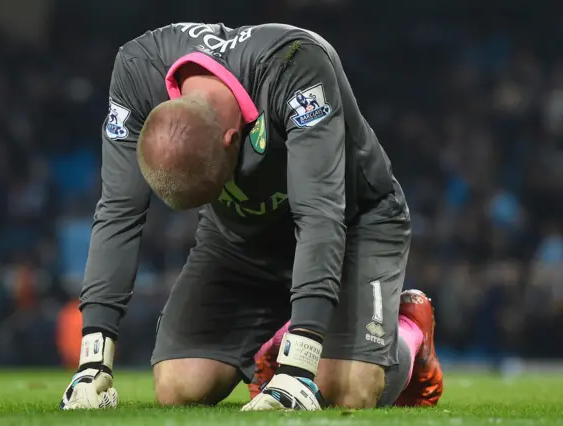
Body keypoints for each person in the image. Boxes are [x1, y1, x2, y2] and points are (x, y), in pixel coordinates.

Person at [59, 22, 443, 411]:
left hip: (354, 221)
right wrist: (92, 361)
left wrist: (299, 369)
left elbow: (321, 214)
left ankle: (408, 333)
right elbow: (119, 211)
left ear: (232, 140)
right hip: (238, 238)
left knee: (346, 392)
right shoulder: (136, 68)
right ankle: (279, 340)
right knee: (179, 386)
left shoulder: (295, 65)